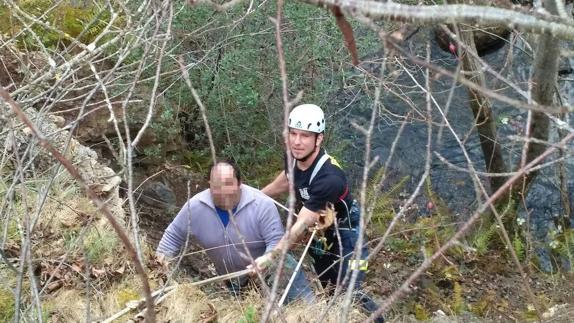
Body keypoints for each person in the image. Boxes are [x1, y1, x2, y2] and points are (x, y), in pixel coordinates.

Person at [252, 104, 384, 321]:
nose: (296, 141)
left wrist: (271, 256)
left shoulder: (329, 178)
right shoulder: (293, 157)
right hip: (320, 236)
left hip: (348, 235)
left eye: (305, 136)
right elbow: (286, 179)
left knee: (350, 293)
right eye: (293, 134)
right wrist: (256, 197)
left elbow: (302, 223)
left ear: (319, 139)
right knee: (330, 289)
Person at [156, 160, 314, 303]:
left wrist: (264, 261)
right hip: (233, 280)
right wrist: (158, 268)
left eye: (228, 183)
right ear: (209, 183)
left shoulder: (262, 204)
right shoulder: (195, 207)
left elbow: (276, 241)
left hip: (268, 271)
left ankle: (308, 309)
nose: (222, 191)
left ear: (239, 183)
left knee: (285, 273)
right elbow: (172, 237)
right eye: (216, 185)